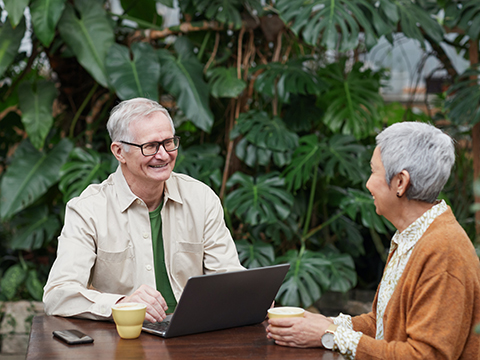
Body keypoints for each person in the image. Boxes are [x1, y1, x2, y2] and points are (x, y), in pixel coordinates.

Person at [266, 122, 480, 359]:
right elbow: (382, 325)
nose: (368, 184)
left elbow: (425, 355)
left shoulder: (443, 250)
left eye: (373, 171)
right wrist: (324, 324)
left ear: (400, 182)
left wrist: (331, 335)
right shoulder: (413, 234)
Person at [43, 98, 244, 323]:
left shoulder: (201, 198)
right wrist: (121, 305)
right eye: (150, 146)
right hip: (124, 339)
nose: (164, 155)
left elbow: (228, 278)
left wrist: (249, 294)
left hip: (192, 333)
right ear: (119, 152)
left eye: (168, 142)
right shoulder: (88, 210)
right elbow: (57, 295)